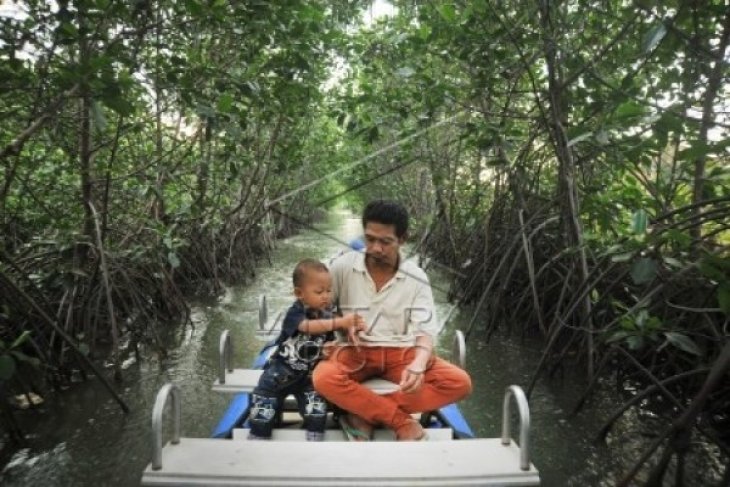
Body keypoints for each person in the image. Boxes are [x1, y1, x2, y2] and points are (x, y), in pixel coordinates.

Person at [313, 200, 472, 441]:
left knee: (460, 383)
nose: (376, 248)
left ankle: (362, 411)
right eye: (370, 239)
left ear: (403, 239)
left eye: (385, 241)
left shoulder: (416, 276)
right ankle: (398, 420)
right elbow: (316, 308)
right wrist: (341, 322)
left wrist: (418, 363)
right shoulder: (342, 267)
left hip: (402, 352)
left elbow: (425, 330)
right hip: (355, 351)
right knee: (322, 377)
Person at [249, 258, 365, 441]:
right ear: (299, 293)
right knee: (263, 411)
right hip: (278, 376)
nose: (326, 296)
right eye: (319, 292)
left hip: (308, 378)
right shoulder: (295, 312)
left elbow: (325, 341)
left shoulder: (327, 314)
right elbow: (308, 327)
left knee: (317, 413)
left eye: (328, 290)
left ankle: (314, 440)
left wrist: (344, 334)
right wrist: (340, 321)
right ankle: (258, 439)